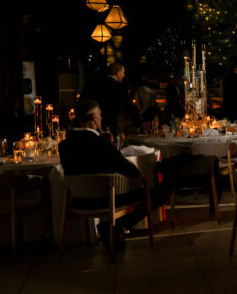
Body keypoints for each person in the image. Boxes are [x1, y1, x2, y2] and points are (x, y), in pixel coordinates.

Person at [58, 99, 163, 249]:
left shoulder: (63, 146)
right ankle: (115, 225)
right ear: (94, 116)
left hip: (78, 201)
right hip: (106, 198)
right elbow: (122, 165)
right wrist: (140, 176)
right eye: (100, 114)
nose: (101, 118)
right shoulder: (100, 142)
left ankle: (112, 228)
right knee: (158, 193)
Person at [79, 62, 134, 135]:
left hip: (90, 124)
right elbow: (129, 106)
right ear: (117, 73)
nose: (124, 75)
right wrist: (139, 123)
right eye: (123, 73)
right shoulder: (119, 87)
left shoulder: (92, 83)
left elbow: (81, 101)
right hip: (109, 126)